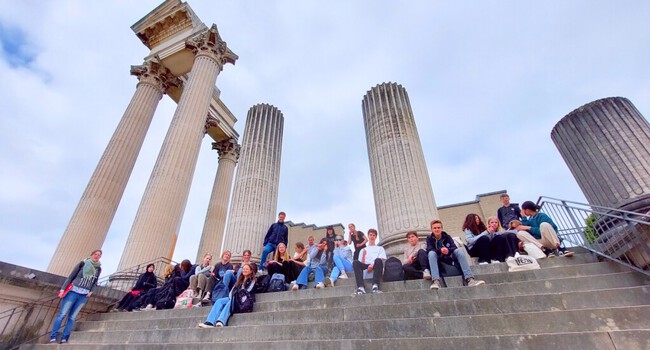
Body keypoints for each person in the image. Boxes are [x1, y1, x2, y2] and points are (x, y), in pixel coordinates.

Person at [49, 249, 102, 344]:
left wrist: (91, 291)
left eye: (99, 255)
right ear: (91, 255)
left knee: (72, 317)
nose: (97, 256)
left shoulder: (98, 268)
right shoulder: (82, 263)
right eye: (95, 254)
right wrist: (62, 289)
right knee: (62, 314)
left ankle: (64, 338)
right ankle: (53, 337)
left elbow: (95, 281)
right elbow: (71, 276)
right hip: (73, 291)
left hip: (84, 295)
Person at [427, 220, 485, 290]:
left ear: (442, 228)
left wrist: (448, 250)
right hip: (438, 259)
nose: (437, 229)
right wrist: (440, 250)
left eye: (438, 228)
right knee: (431, 253)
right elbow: (429, 249)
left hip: (449, 257)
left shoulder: (447, 237)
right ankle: (436, 281)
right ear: (431, 229)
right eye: (435, 228)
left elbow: (454, 247)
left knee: (459, 251)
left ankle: (470, 279)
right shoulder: (429, 238)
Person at [198, 263, 256, 328]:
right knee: (219, 301)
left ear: (251, 271)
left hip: (244, 301)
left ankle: (221, 321)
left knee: (231, 301)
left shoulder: (252, 280)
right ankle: (210, 322)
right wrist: (232, 296)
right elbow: (232, 290)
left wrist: (236, 296)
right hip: (234, 298)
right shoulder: (239, 280)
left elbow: (249, 290)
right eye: (244, 269)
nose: (244, 270)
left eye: (247, 269)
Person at [352, 229, 385, 294]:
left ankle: (375, 286)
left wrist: (372, 265)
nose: (372, 236)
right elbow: (361, 263)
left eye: (374, 235)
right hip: (366, 266)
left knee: (378, 260)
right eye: (370, 235)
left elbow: (382, 259)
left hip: (376, 265)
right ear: (368, 236)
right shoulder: (363, 250)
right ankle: (361, 287)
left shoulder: (380, 248)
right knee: (355, 262)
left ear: (376, 237)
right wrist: (364, 256)